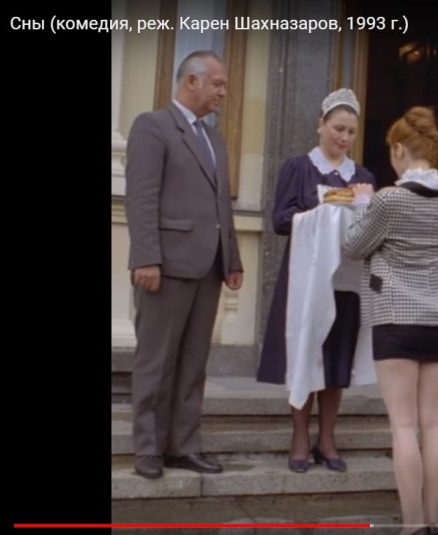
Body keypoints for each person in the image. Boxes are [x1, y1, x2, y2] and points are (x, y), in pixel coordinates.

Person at [343, 106, 438, 535]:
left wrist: (362, 202)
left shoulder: (387, 200)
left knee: (404, 425)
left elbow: (354, 246)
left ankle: (411, 528)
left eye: (390, 152)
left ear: (399, 149)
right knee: (433, 422)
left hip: (396, 317)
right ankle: (432, 523)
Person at [125, 50, 244, 479]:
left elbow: (222, 205)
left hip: (208, 268)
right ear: (191, 81)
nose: (223, 93)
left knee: (193, 364)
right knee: (156, 361)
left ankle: (183, 446)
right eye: (218, 84)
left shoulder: (215, 140)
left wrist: (233, 258)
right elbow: (141, 197)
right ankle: (148, 449)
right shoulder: (152, 126)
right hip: (165, 267)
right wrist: (146, 257)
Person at [256, 88, 376, 473]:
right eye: (338, 128)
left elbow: (370, 228)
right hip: (306, 279)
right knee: (306, 353)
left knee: (337, 357)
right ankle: (298, 436)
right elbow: (280, 220)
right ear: (321, 125)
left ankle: (327, 437)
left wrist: (360, 207)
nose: (344, 137)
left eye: (351, 131)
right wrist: (322, 210)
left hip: (345, 279)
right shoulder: (299, 168)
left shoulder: (363, 177)